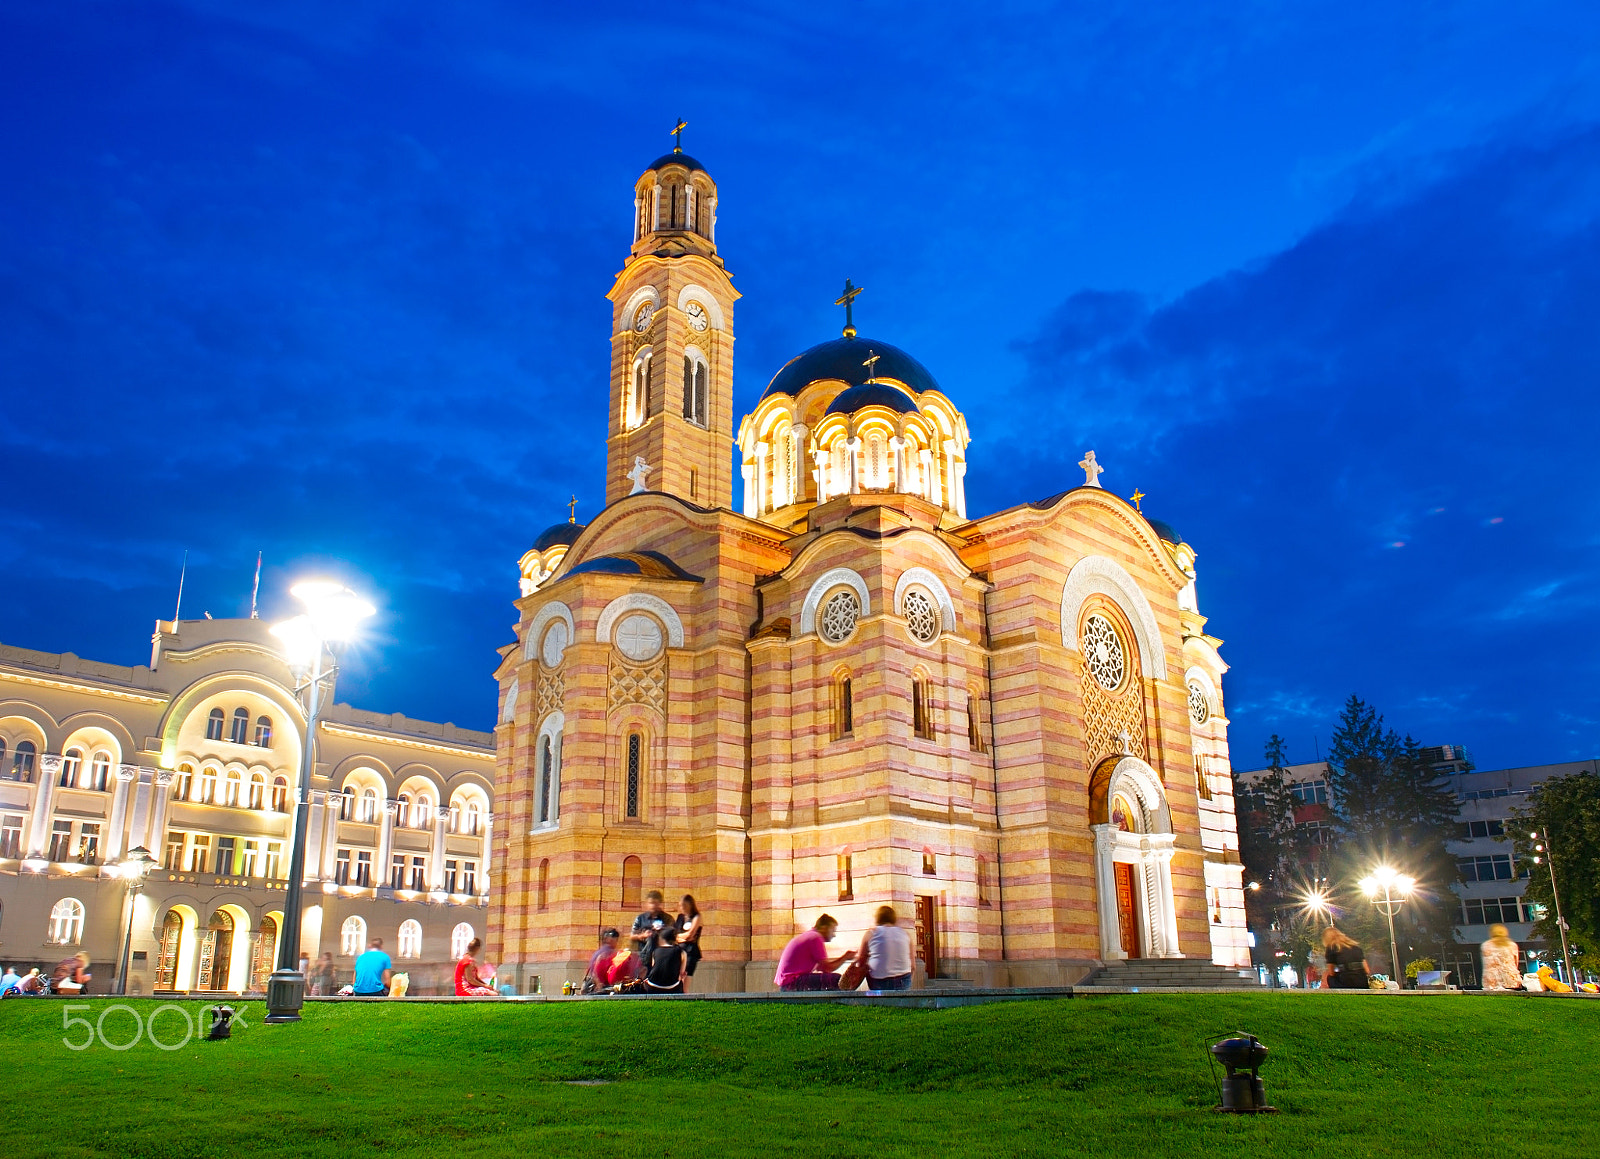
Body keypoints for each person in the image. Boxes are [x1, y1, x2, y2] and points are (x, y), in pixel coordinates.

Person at [775, 914, 854, 991]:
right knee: (836, 980)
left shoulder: (810, 935)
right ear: (824, 928)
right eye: (832, 930)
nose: (834, 935)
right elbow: (828, 968)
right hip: (792, 982)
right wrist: (845, 957)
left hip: (788, 982)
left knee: (831, 979)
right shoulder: (815, 937)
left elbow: (822, 968)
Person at [857, 905, 914, 990]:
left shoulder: (870, 933)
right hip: (903, 978)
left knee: (880, 1003)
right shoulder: (906, 934)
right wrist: (909, 981)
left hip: (877, 980)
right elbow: (913, 966)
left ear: (878, 918)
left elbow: (861, 960)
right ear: (894, 918)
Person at [630, 890, 672, 980]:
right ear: (647, 903)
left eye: (656, 903)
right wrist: (643, 935)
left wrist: (662, 933)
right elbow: (632, 935)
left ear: (660, 903)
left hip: (661, 957)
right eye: (651, 903)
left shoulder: (667, 918)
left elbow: (673, 936)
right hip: (643, 956)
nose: (653, 906)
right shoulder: (640, 918)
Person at [644, 926, 688, 994]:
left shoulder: (655, 951)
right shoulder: (682, 952)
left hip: (652, 986)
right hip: (672, 987)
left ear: (662, 939)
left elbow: (655, 968)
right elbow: (681, 974)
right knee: (680, 981)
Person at [674, 895, 704, 992]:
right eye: (680, 905)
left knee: (685, 980)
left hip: (690, 952)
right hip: (679, 951)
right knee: (677, 979)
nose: (682, 908)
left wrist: (680, 937)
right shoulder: (680, 917)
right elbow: (674, 935)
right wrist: (682, 937)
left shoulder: (696, 917)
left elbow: (691, 935)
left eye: (684, 905)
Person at [1479, 924, 1522, 991]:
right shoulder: (1512, 945)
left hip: (1491, 982)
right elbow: (1515, 963)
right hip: (1510, 980)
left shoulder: (1485, 945)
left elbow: (1486, 964)